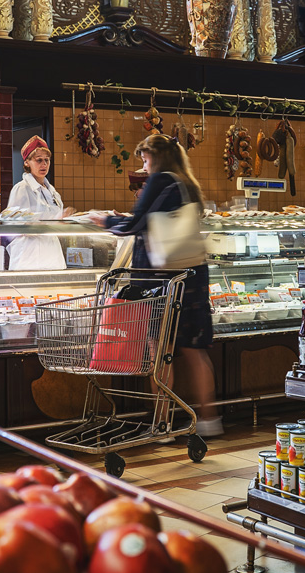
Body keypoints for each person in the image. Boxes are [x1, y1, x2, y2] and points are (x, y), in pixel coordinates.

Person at [90, 133, 222, 437]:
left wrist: (105, 221)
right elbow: (153, 218)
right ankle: (209, 419)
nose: (145, 166)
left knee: (160, 350)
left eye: (145, 159)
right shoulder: (187, 182)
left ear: (155, 157)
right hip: (192, 275)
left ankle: (161, 422)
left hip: (161, 279)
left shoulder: (161, 179)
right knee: (194, 350)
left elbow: (136, 225)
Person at [6, 136, 72, 271]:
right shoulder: (22, 188)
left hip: (53, 256)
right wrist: (54, 220)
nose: (44, 164)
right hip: (29, 258)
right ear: (27, 163)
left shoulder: (53, 192)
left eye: (47, 160)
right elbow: (14, 224)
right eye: (39, 160)